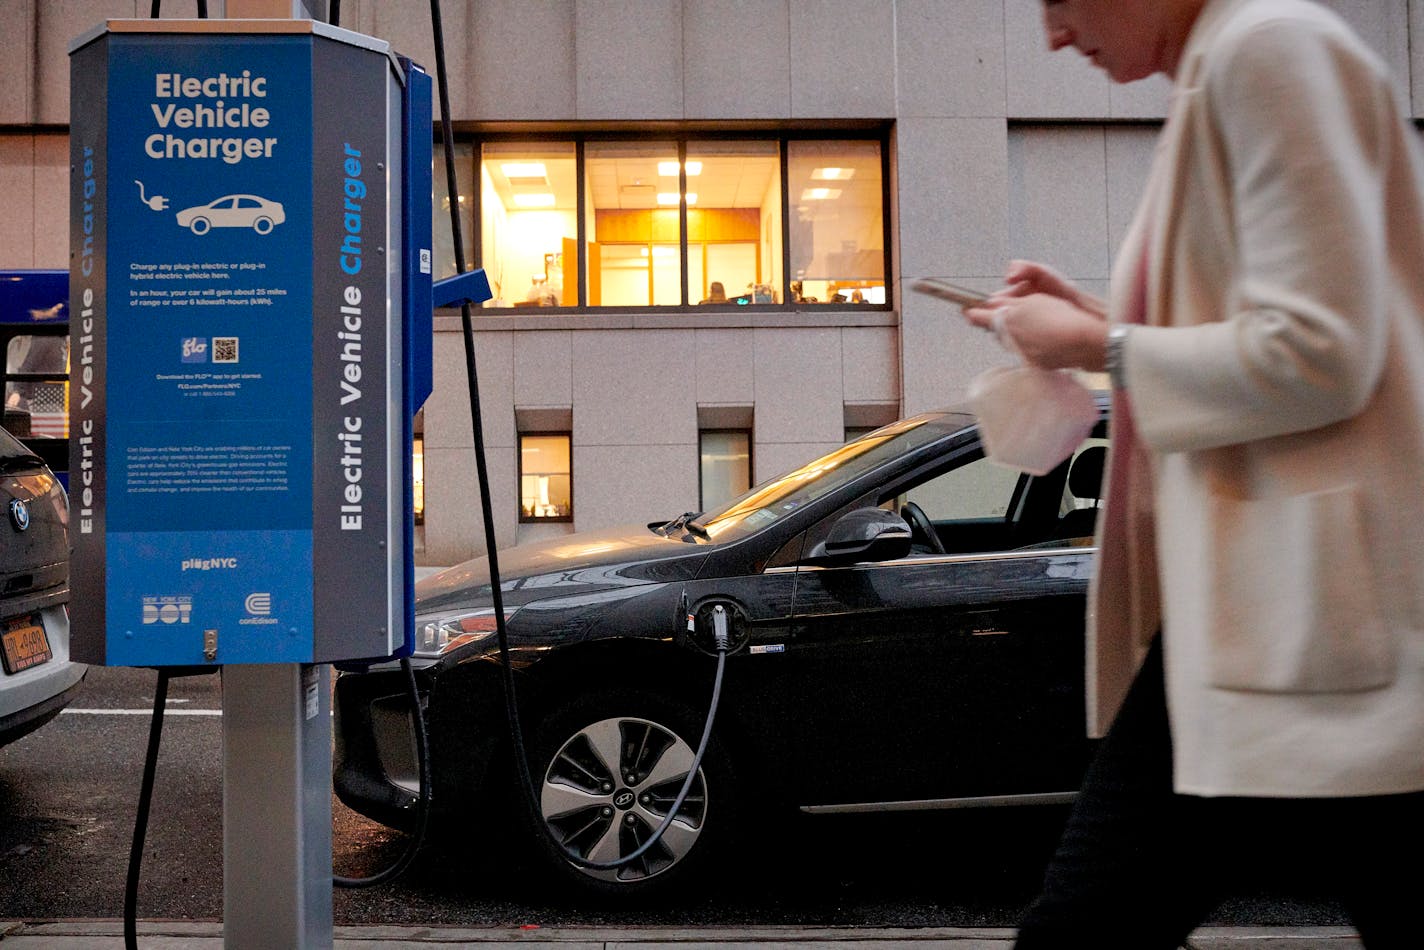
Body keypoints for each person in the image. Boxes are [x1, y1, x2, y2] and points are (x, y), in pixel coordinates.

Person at [962, 1, 1424, 946]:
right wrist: (1096, 321)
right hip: (1283, 617)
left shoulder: (1267, 51)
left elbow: (1321, 352)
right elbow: (1282, 330)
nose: (1051, 34)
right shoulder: (1234, 61)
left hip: (1311, 617)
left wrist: (1098, 339)